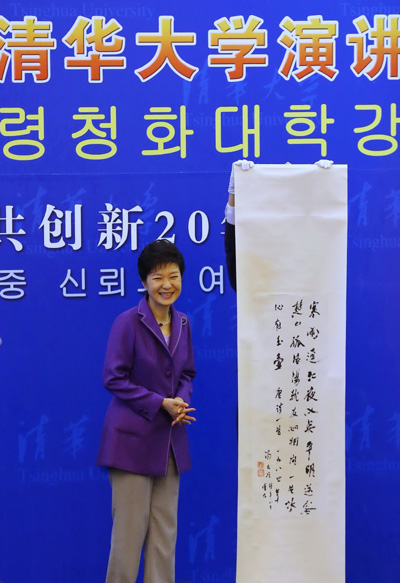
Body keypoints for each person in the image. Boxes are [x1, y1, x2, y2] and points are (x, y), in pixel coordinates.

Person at [97, 239, 196, 583]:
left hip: (169, 442)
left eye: (174, 276)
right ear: (144, 282)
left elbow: (186, 373)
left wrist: (180, 399)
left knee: (164, 537)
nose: (167, 285)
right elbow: (113, 377)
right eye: (158, 277)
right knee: (128, 537)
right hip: (131, 444)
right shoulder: (127, 322)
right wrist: (160, 403)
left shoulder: (182, 323)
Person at [224, 159, 334, 290]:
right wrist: (235, 192)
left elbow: (327, 234)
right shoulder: (254, 257)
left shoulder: (309, 251)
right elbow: (233, 241)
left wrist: (325, 184)